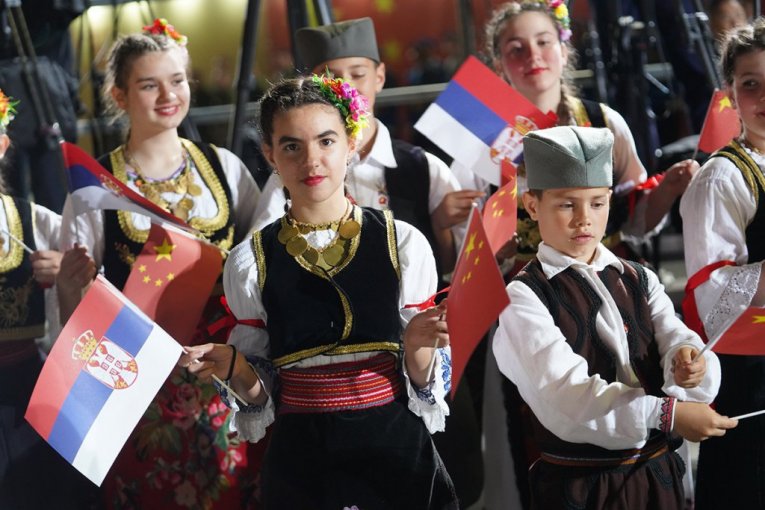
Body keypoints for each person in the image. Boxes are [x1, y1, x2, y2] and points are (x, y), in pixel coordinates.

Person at [182, 75, 458, 510]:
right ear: (270, 154)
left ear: (351, 144)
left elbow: (424, 385)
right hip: (303, 459)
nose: (311, 160)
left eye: (326, 141)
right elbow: (261, 396)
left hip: (394, 450)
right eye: (292, 146)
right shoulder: (250, 261)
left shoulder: (402, 242)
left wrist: (418, 345)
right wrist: (236, 367)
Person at [56, 19, 263, 508]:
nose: (169, 95)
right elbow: (76, 314)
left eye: (178, 80)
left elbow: (261, 261)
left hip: (224, 373)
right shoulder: (94, 190)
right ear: (120, 95)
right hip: (138, 388)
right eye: (150, 85)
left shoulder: (225, 167)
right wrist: (68, 288)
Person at [493, 125, 736, 509]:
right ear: (532, 206)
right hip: (584, 487)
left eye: (597, 203)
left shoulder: (638, 277)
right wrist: (667, 414)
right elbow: (568, 393)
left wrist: (688, 361)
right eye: (566, 204)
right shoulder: (523, 296)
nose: (583, 219)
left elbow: (672, 332)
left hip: (658, 475)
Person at [253, 17, 482, 280]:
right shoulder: (292, 174)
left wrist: (440, 228)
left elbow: (461, 272)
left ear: (379, 77)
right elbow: (260, 259)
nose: (346, 86)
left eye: (358, 74)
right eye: (330, 77)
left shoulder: (423, 168)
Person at [680, 17, 765, 509]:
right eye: (751, 84)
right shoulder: (722, 179)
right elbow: (709, 292)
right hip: (752, 377)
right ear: (730, 93)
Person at [0, 90, 95, 509]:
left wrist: (68, 278)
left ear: (2, 145)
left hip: (26, 396)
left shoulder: (38, 223)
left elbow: (100, 301)